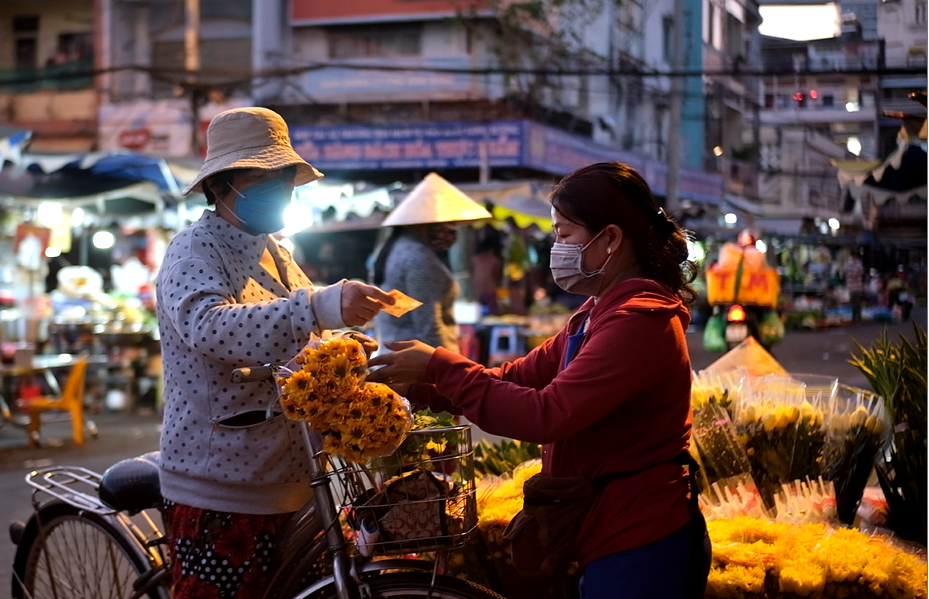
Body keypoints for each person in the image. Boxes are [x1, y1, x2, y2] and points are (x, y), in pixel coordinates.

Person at [368, 162, 711, 599]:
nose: (557, 247)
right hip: (604, 525)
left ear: (609, 239)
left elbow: (546, 414)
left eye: (564, 234)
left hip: (643, 535)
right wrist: (410, 381)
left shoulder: (640, 322)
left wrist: (438, 366)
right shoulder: (593, 314)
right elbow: (516, 378)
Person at [156, 107, 394, 599]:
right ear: (220, 185)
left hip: (290, 475)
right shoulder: (193, 250)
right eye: (262, 176)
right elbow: (209, 327)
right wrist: (321, 307)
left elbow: (303, 331)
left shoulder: (274, 251)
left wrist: (343, 343)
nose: (280, 188)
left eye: (284, 176)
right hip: (221, 484)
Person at [371, 173, 491, 352]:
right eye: (447, 223)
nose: (451, 230)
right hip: (418, 365)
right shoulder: (417, 257)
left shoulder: (396, 248)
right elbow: (429, 327)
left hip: (397, 355)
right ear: (426, 222)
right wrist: (447, 370)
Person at [842, 252, 865, 323]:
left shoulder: (858, 264)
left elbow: (858, 272)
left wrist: (851, 273)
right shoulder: (849, 263)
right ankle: (854, 317)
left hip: (857, 286)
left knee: (857, 302)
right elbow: (845, 270)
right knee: (853, 302)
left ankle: (858, 317)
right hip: (851, 286)